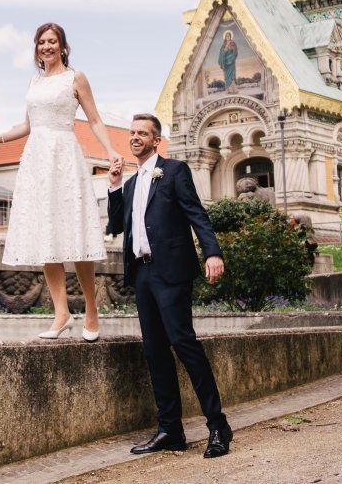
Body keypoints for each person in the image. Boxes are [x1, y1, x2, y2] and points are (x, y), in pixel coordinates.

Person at [0, 23, 122, 342]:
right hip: (37, 160)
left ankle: (90, 309)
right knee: (47, 233)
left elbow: (95, 119)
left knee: (75, 234)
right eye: (42, 42)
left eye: (52, 41)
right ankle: (61, 313)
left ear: (62, 46)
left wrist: (111, 151)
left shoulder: (75, 78)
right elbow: (28, 125)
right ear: (37, 48)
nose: (47, 46)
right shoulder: (34, 81)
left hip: (65, 156)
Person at [107, 113, 234, 459]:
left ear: (156, 140)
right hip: (143, 275)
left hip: (171, 272)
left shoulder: (174, 170)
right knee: (155, 351)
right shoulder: (130, 184)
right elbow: (116, 226)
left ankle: (217, 426)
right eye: (132, 133)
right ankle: (170, 430)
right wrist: (115, 185)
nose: (135, 138)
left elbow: (196, 213)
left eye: (142, 133)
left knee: (184, 344)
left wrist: (212, 252)